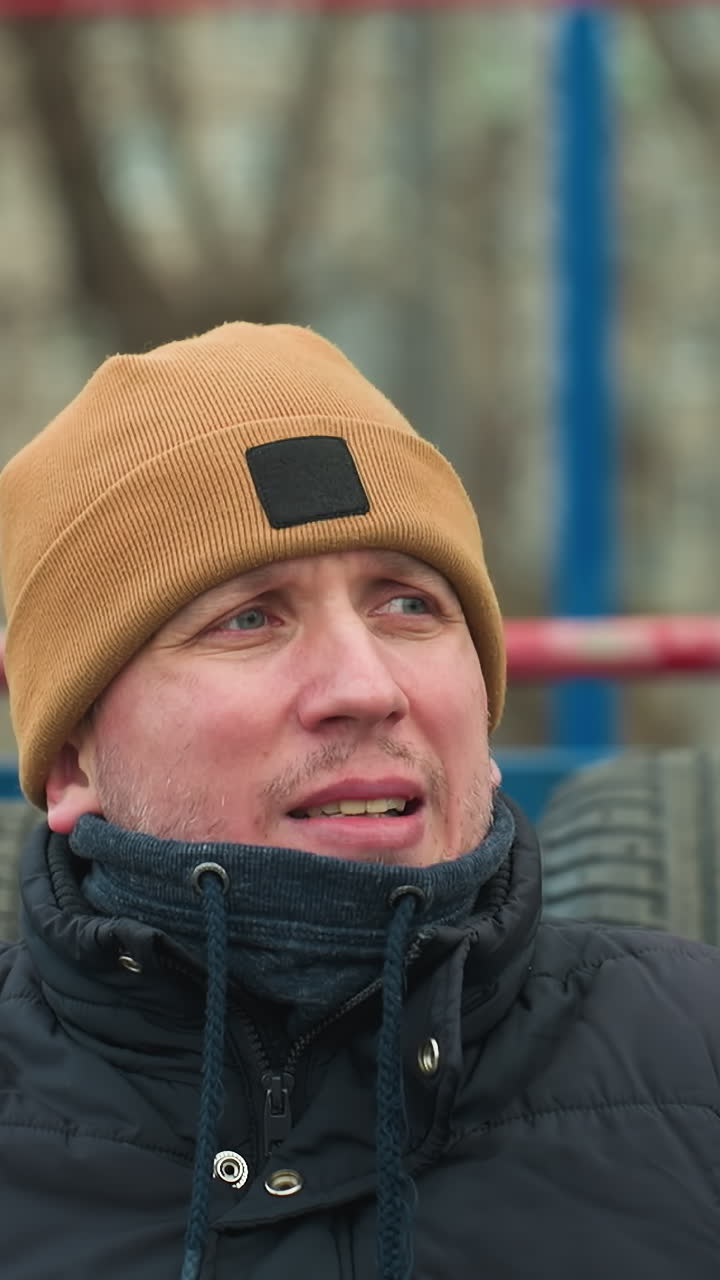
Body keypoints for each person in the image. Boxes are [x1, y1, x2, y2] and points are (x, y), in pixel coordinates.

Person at [0, 323, 719, 1280]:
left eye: (409, 604)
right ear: (70, 762)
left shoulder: (700, 1060)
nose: (366, 685)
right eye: (247, 619)